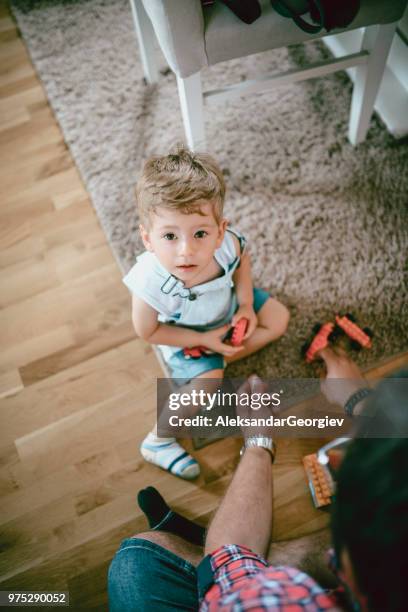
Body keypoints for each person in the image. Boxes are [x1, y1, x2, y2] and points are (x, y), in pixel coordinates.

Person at [108, 348, 408, 611]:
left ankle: (201, 538)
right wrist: (361, 401)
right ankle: (211, 540)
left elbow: (229, 553)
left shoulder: (277, 604)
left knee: (138, 562)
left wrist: (258, 441)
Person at [123, 145, 290, 479]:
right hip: (185, 333)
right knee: (206, 386)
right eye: (169, 236)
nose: (187, 251)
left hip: (228, 305)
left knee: (279, 320)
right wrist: (206, 341)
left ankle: (222, 356)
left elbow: (242, 259)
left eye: (200, 233)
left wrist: (245, 304)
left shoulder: (228, 244)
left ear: (220, 230)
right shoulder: (150, 283)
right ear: (148, 239)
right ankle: (158, 440)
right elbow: (149, 332)